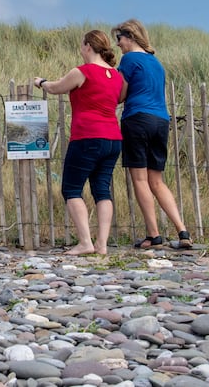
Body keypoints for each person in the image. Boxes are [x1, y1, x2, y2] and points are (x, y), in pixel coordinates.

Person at [34, 30, 123, 255]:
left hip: (87, 136)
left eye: (82, 45)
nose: (81, 49)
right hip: (113, 138)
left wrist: (41, 82)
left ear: (88, 47)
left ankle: (85, 242)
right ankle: (102, 244)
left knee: (72, 188)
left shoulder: (82, 72)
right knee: (102, 189)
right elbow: (120, 97)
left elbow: (56, 88)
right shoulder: (117, 75)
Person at [113, 19, 192, 249]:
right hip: (160, 120)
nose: (118, 44)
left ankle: (153, 235)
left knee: (139, 179)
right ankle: (182, 231)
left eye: (119, 38)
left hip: (137, 119)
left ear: (130, 37)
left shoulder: (129, 59)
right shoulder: (156, 62)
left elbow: (120, 95)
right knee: (156, 181)